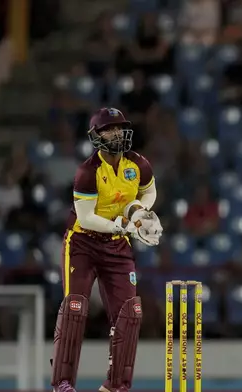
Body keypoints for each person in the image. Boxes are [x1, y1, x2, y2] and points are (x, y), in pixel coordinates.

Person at [50, 108, 163, 392]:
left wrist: (138, 211)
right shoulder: (88, 172)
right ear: (96, 136)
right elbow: (86, 217)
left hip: (116, 247)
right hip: (82, 244)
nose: (117, 134)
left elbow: (149, 191)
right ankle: (62, 383)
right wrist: (124, 227)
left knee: (130, 313)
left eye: (121, 128)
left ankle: (117, 385)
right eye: (110, 129)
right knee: (75, 308)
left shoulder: (137, 163)